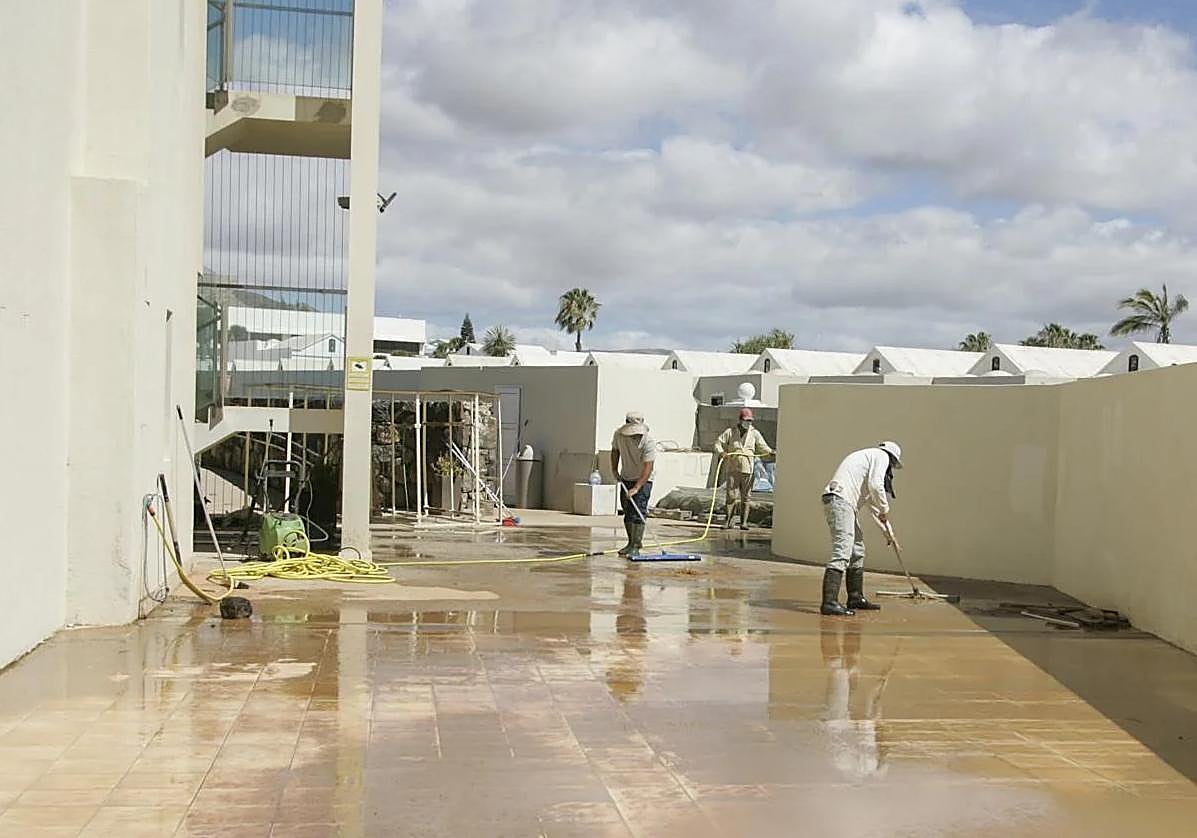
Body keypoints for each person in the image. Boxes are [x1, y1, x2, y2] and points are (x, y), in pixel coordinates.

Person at [820, 441, 903, 616]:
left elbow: (876, 510)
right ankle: (829, 602)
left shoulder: (867, 463)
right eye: (893, 466)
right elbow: (876, 486)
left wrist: (890, 536)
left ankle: (855, 597)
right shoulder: (880, 456)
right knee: (842, 551)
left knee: (857, 550)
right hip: (840, 501)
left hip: (842, 503)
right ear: (891, 459)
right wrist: (885, 508)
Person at [713, 408, 774, 530]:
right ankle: (728, 521)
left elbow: (763, 447)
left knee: (746, 496)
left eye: (750, 421)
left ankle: (743, 522)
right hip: (733, 468)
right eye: (746, 420)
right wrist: (721, 453)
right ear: (740, 420)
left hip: (748, 469)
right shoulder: (731, 432)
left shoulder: (754, 433)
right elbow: (718, 443)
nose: (748, 423)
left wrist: (771, 452)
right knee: (731, 495)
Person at [610, 411, 656, 557]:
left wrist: (637, 487)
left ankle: (636, 545)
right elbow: (615, 451)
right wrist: (614, 469)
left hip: (644, 479)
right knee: (627, 511)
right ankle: (630, 543)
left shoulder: (648, 441)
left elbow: (648, 467)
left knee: (639, 511)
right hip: (626, 477)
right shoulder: (619, 435)